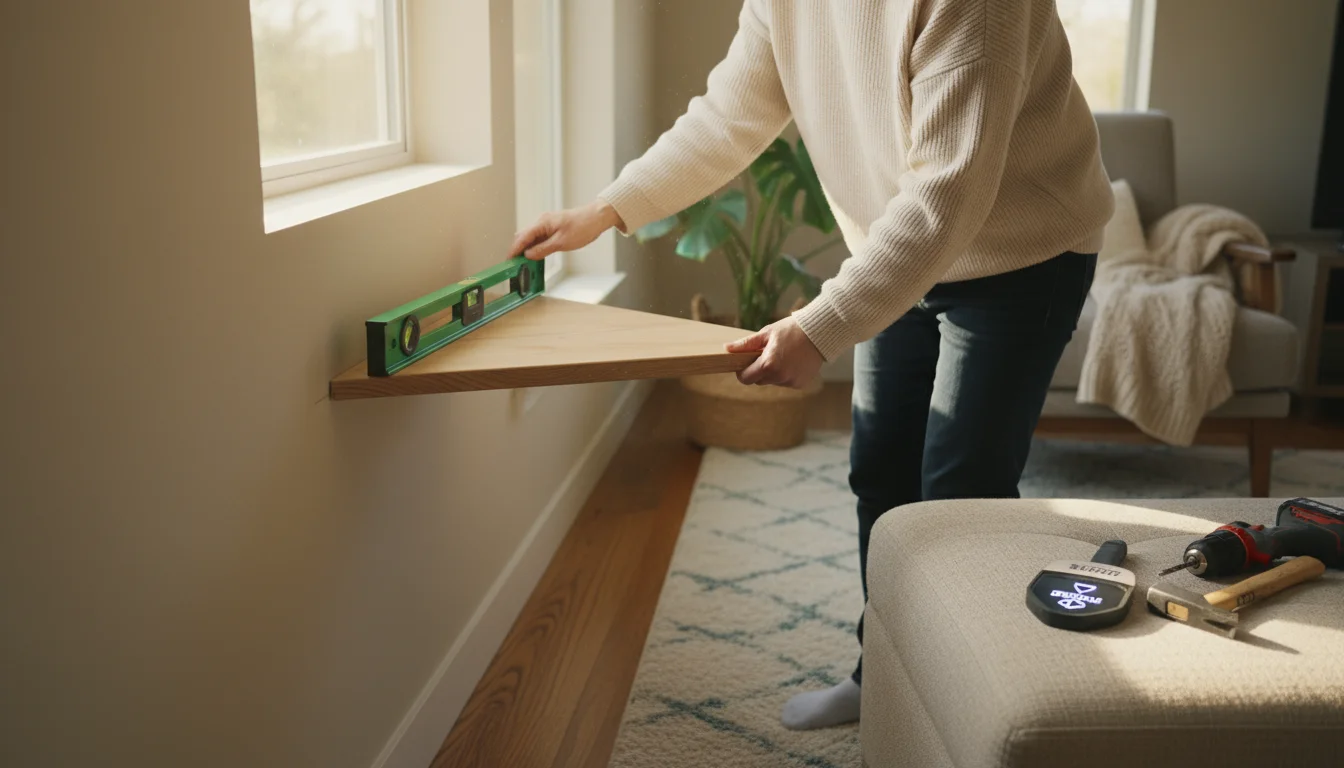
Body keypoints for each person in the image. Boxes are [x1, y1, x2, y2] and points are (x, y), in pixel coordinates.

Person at [512, 0, 1114, 731]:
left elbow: (947, 195)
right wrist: (606, 210)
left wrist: (819, 327)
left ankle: (967, 705)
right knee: (882, 471)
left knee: (961, 489)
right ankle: (882, 673)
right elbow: (727, 116)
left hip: (1024, 255)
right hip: (896, 254)